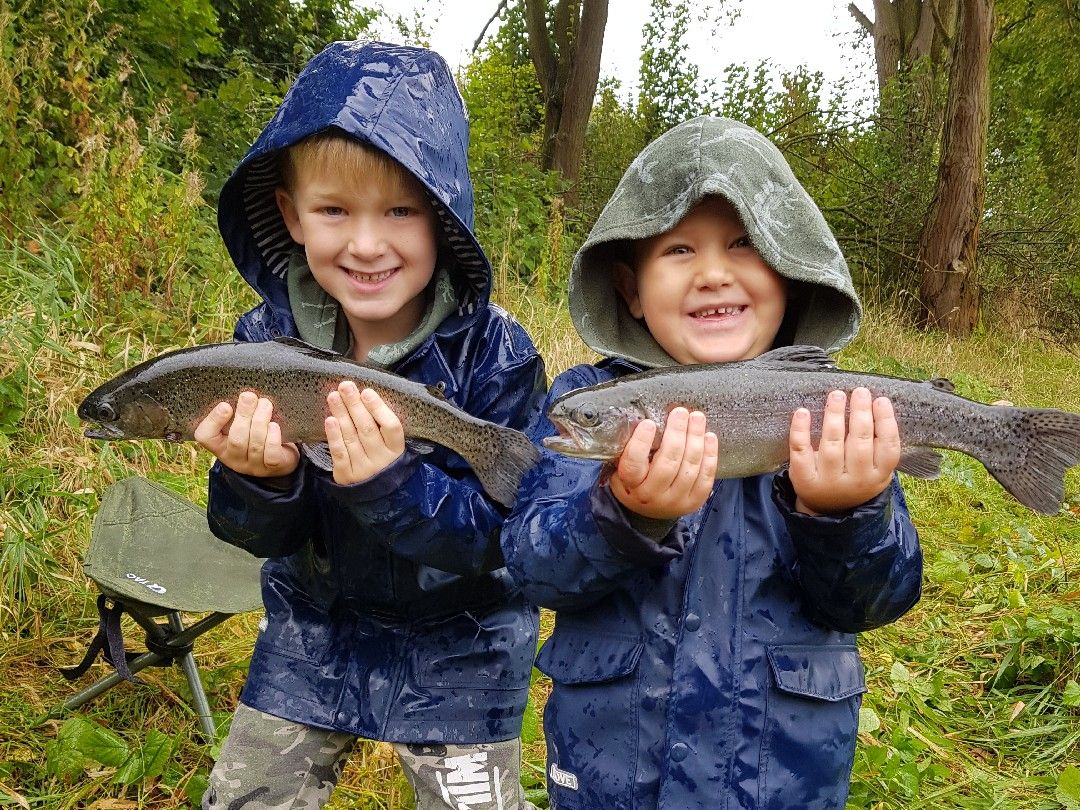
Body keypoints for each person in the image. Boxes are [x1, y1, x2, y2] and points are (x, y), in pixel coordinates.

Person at [501, 116, 923, 809]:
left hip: (778, 778)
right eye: (678, 250)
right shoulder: (588, 398)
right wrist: (619, 514)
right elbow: (531, 566)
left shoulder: (839, 410)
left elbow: (876, 600)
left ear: (792, 272)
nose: (714, 273)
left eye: (744, 245)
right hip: (615, 776)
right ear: (629, 288)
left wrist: (845, 515)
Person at [195, 40, 545, 810]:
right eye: (333, 211)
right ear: (290, 214)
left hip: (467, 642)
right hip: (312, 631)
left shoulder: (497, 354)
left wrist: (394, 487)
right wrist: (264, 482)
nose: (365, 243)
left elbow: (507, 539)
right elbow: (250, 530)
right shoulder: (259, 345)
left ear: (444, 215)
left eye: (399, 210)